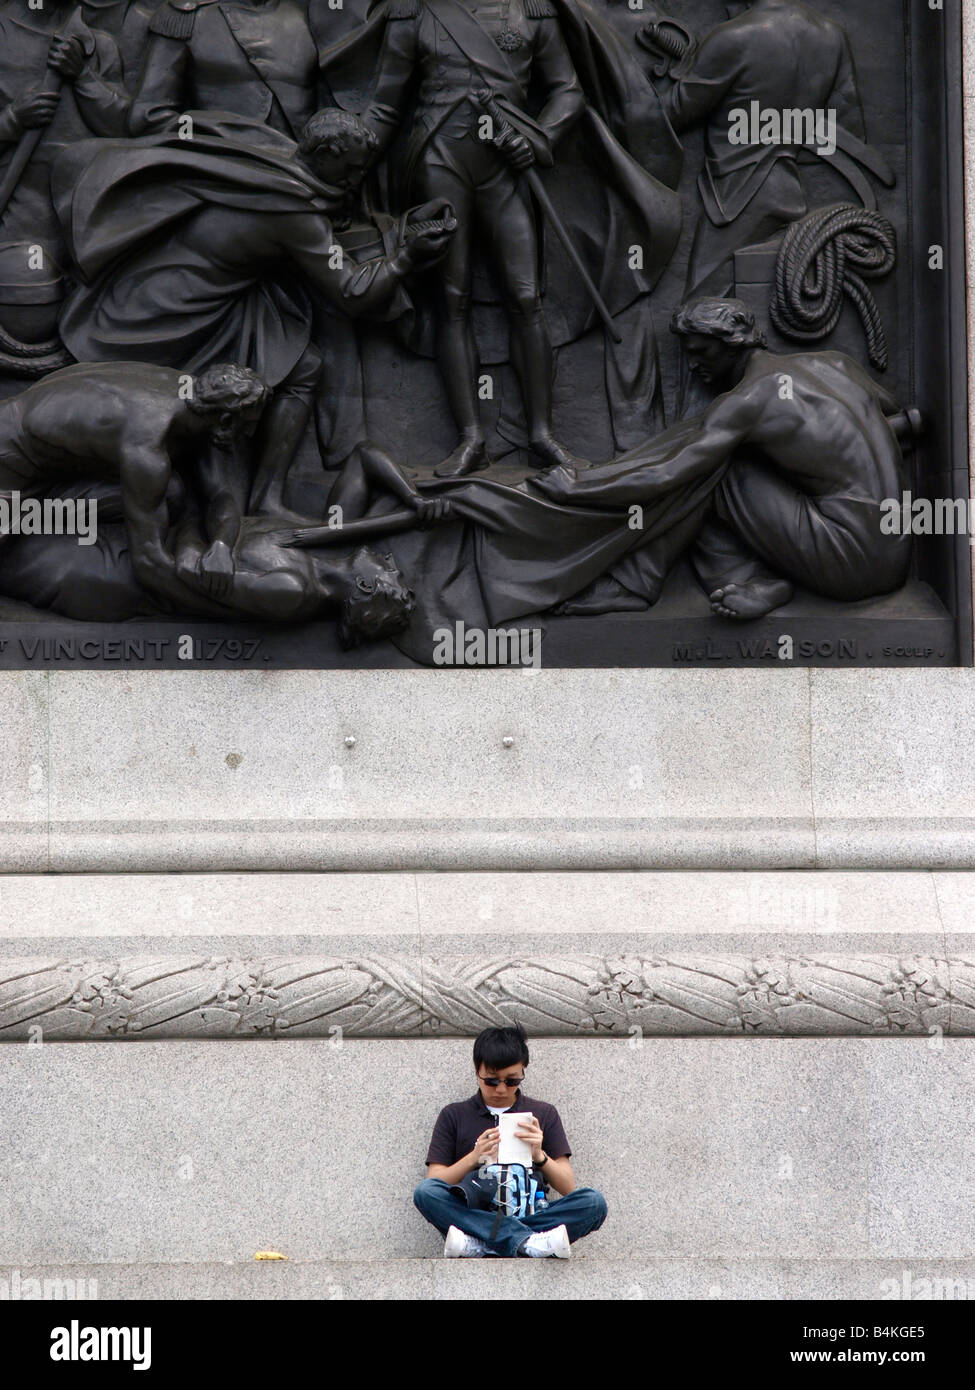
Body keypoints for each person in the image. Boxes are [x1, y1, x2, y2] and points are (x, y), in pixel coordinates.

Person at [53, 108, 454, 518]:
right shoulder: (294, 212)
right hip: (174, 315)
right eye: (351, 170)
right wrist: (406, 258)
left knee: (299, 359)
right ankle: (256, 499)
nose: (355, 181)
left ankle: (253, 496)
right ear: (328, 152)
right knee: (301, 370)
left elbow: (334, 234)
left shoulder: (266, 155)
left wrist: (400, 228)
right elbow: (351, 290)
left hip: (184, 287)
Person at [532, 297, 914, 620]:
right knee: (739, 454)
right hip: (896, 550)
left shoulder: (745, 402)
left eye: (700, 352)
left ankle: (648, 582)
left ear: (733, 341)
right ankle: (763, 578)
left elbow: (667, 475)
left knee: (714, 470)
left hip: (851, 563)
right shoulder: (836, 364)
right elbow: (906, 425)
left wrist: (579, 488)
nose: (694, 365)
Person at [0, 359, 269, 608]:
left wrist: (222, 545)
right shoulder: (147, 443)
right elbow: (149, 565)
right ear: (225, 421)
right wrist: (242, 610)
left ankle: (31, 516)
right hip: (7, 461)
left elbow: (220, 494)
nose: (248, 435)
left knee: (171, 492)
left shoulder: (192, 391)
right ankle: (23, 520)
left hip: (36, 447)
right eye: (247, 427)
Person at [413, 1024, 608, 1257]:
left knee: (593, 1203)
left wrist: (539, 1156)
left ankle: (483, 1244)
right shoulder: (454, 1115)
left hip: (532, 1212)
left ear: (523, 1071)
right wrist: (474, 1158)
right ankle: (528, 1243)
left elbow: (567, 1186)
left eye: (512, 1081)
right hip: (478, 1212)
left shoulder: (543, 1113)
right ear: (477, 1071)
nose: (502, 1089)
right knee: (426, 1194)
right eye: (492, 1081)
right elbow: (435, 1181)